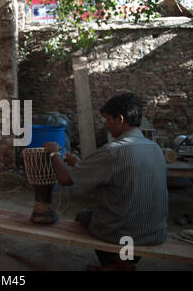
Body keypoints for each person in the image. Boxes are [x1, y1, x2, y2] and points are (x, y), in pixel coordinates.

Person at [44, 93, 168, 271]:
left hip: (126, 235)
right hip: (155, 232)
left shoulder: (113, 151)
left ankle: (116, 266)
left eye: (108, 120)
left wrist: (54, 153)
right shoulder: (155, 148)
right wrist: (79, 165)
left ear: (120, 119)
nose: (107, 125)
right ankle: (122, 263)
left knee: (85, 216)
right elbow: (117, 177)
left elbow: (64, 179)